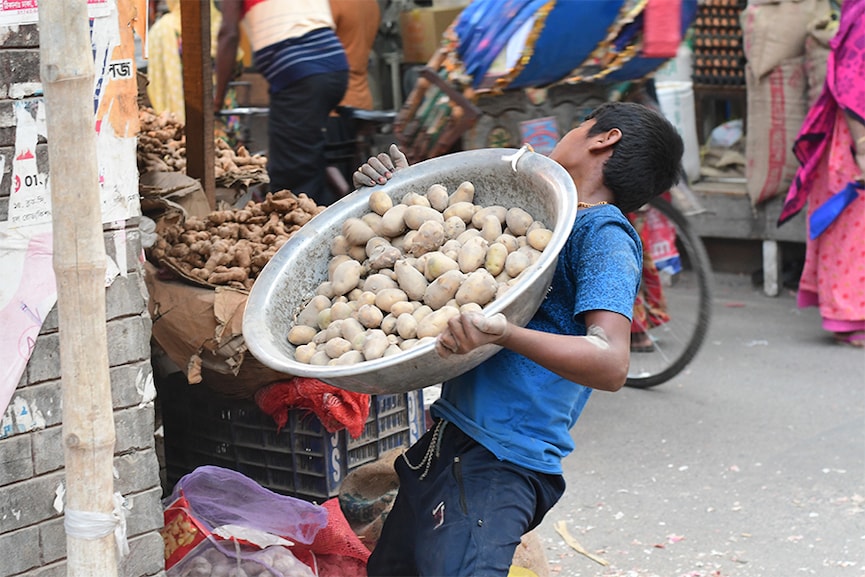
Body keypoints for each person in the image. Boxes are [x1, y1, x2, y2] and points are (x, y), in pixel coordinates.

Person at [353, 101, 684, 576]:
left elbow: (611, 361)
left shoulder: (603, 232)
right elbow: (453, 248)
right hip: (452, 440)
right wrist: (406, 198)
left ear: (603, 138)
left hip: (503, 462)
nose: (566, 132)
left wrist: (506, 334)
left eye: (577, 122)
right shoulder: (543, 212)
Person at [778, 0, 865, 348]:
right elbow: (851, 83)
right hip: (854, 134)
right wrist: (862, 145)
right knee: (852, 231)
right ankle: (847, 316)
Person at [214, 0, 349, 206]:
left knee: (291, 181)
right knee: (305, 159)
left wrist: (216, 101)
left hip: (302, 74)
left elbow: (229, 35)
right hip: (331, 66)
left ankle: (307, 231)